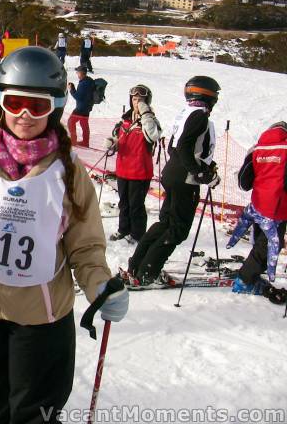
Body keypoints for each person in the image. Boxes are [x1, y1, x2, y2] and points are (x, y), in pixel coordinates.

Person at [0, 46, 128, 424]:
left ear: (55, 107)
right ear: (1, 101)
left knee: (35, 416)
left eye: (37, 106)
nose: (24, 115)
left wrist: (99, 284)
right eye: (16, 102)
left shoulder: (67, 170)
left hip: (43, 317)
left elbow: (85, 244)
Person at [127, 76, 221, 286]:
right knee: (177, 229)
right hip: (184, 179)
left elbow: (173, 147)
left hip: (174, 173)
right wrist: (199, 172)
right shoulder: (200, 116)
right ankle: (147, 272)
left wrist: (204, 167)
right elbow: (183, 147)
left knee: (166, 224)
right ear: (209, 96)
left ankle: (137, 265)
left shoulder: (187, 112)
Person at [228, 121, 287, 304]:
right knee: (268, 245)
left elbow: (244, 182)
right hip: (278, 206)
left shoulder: (257, 148)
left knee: (262, 242)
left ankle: (252, 274)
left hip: (259, 204)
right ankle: (245, 280)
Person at [104, 85, 162, 243]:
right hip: (123, 169)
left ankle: (137, 234)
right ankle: (123, 229)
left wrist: (146, 113)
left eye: (141, 100)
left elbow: (154, 136)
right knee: (124, 203)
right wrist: (112, 144)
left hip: (140, 170)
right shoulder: (125, 120)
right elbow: (119, 139)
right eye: (135, 99)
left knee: (136, 205)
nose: (137, 103)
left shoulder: (150, 121)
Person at [66, 65, 95, 147]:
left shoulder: (83, 84)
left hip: (81, 108)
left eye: (77, 72)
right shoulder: (89, 81)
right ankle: (85, 142)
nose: (77, 74)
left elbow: (78, 97)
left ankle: (73, 141)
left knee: (70, 121)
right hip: (87, 107)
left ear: (81, 73)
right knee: (84, 124)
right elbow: (82, 95)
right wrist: (74, 88)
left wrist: (71, 89)